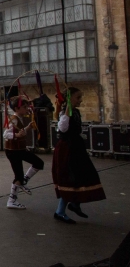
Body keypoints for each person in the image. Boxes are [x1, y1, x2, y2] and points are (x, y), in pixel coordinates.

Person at [52, 87, 106, 224]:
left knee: (83, 175)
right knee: (69, 179)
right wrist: (67, 113)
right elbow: (62, 128)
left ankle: (74, 204)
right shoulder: (65, 113)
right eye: (78, 97)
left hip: (76, 147)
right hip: (67, 149)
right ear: (70, 99)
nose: (80, 100)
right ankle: (60, 211)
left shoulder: (75, 112)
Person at [3, 97, 45, 209]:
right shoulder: (14, 119)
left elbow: (20, 132)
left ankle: (24, 181)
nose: (27, 109)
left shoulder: (19, 118)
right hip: (13, 151)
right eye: (25, 107)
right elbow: (5, 134)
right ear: (17, 108)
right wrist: (16, 135)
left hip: (19, 150)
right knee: (18, 176)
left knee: (38, 163)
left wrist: (27, 128)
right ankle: (11, 201)